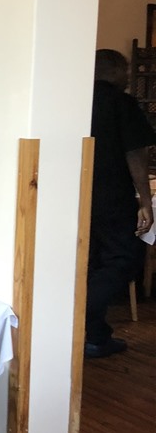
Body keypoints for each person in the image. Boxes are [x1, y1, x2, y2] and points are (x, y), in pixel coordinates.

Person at [87, 49, 155, 358]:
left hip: (76, 195)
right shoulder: (121, 103)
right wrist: (145, 200)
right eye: (125, 69)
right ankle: (84, 316)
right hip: (112, 195)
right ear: (112, 70)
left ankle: (93, 334)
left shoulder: (74, 99)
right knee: (125, 258)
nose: (128, 76)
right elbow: (135, 153)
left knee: (89, 262)